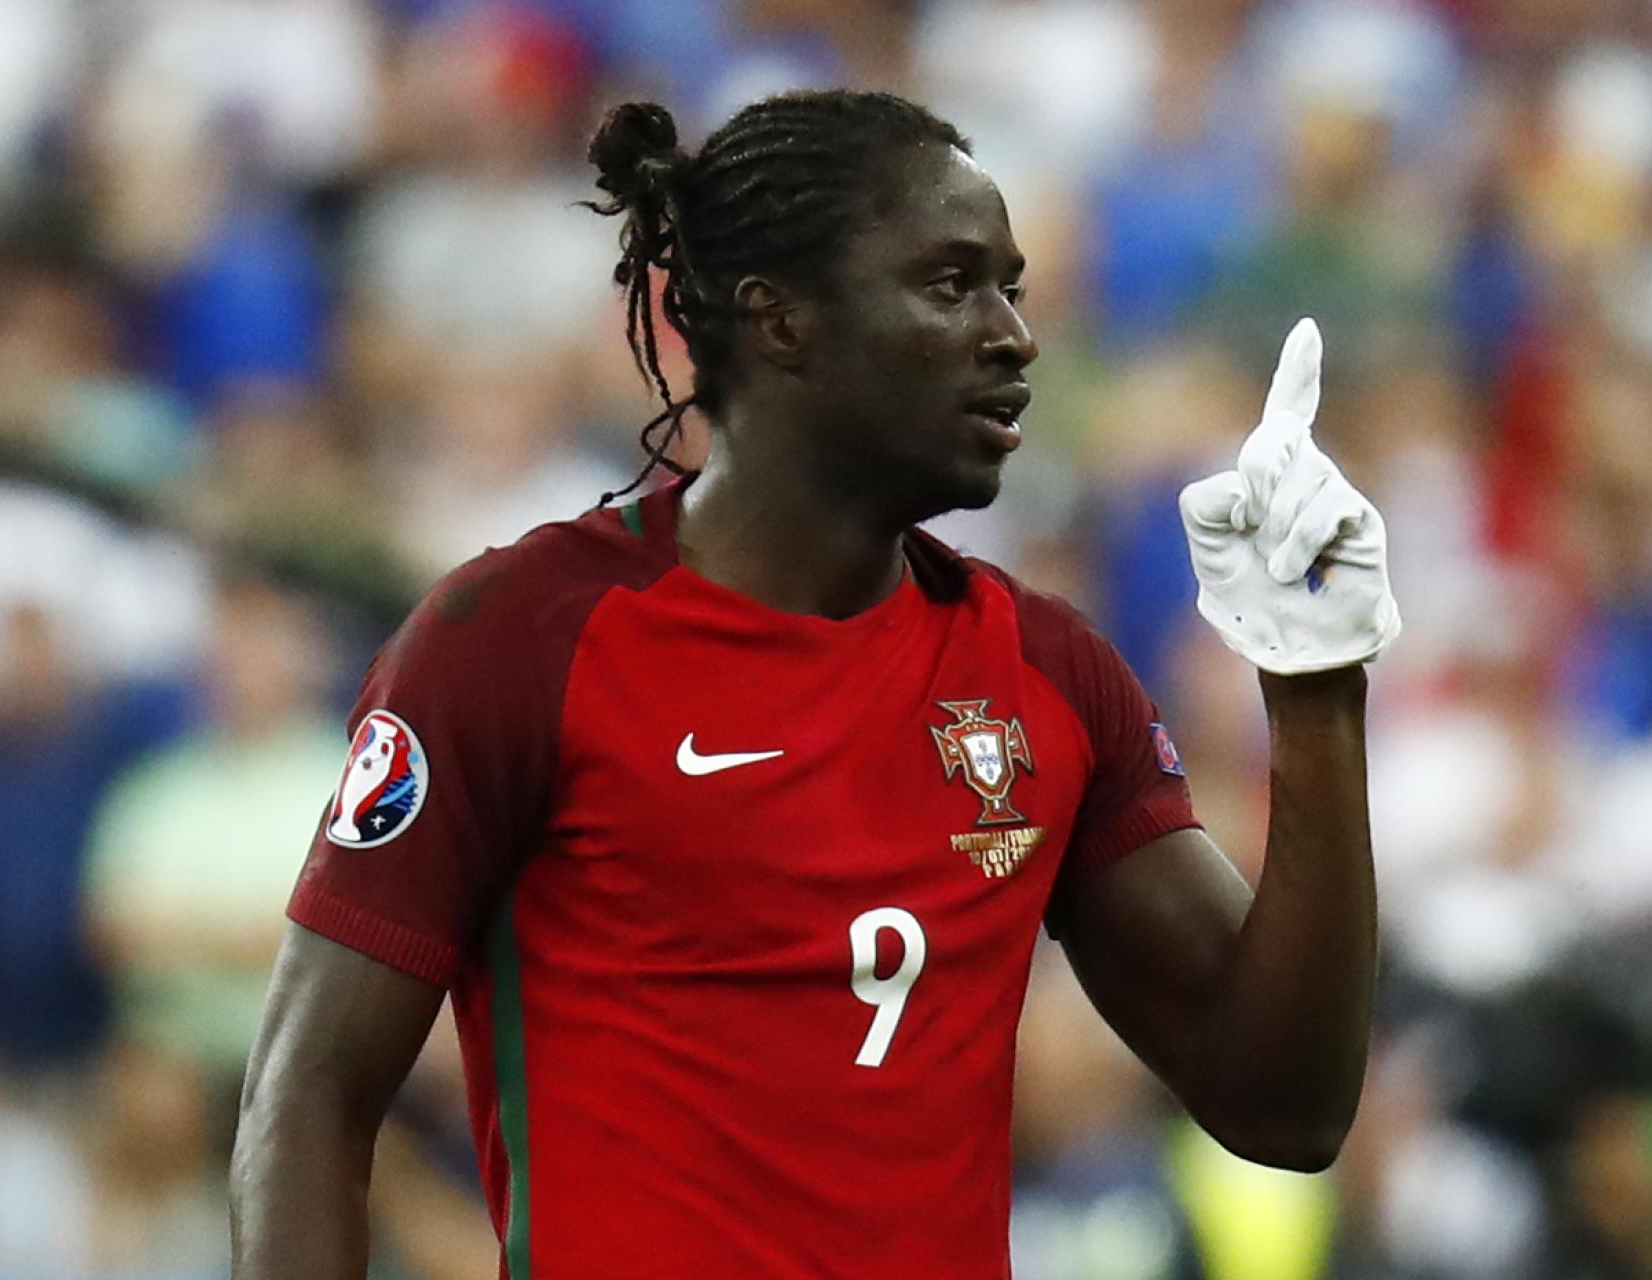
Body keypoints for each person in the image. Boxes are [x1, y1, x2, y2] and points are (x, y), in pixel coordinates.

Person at [231, 89, 1400, 1279]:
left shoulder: (1044, 673)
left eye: (1011, 287)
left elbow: (1284, 1108)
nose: (1012, 334)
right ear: (780, 321)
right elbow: (308, 1089)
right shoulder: (513, 641)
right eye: (951, 286)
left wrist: (1313, 690)